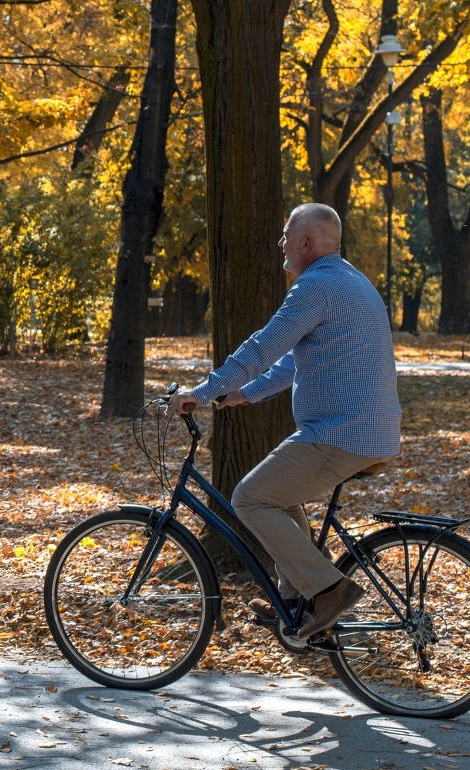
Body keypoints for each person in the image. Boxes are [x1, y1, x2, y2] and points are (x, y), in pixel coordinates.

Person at [170, 203, 400, 643]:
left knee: (250, 498)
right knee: (279, 497)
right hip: (365, 429)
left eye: (286, 235)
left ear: (306, 242)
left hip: (340, 433)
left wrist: (201, 392)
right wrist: (242, 393)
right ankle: (297, 601)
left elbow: (262, 348)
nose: (281, 243)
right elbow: (294, 361)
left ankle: (329, 590)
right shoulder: (351, 281)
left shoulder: (314, 287)